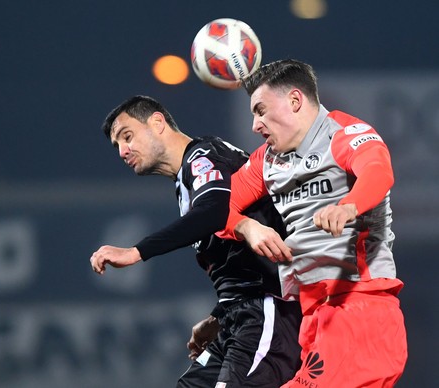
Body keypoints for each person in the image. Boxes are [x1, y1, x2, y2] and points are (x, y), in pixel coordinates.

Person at [90, 95, 302, 387]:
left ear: (157, 122)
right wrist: (218, 316)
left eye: (127, 136)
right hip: (238, 316)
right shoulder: (187, 180)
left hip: (269, 311)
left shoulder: (202, 155)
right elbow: (233, 256)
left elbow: (214, 213)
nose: (123, 151)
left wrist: (136, 252)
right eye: (117, 146)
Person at [219, 59, 408, 387]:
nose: (255, 124)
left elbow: (378, 171)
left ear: (294, 101)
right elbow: (215, 208)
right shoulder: (267, 160)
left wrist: (348, 207)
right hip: (310, 314)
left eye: (261, 110)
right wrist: (246, 226)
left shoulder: (345, 134)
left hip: (357, 306)